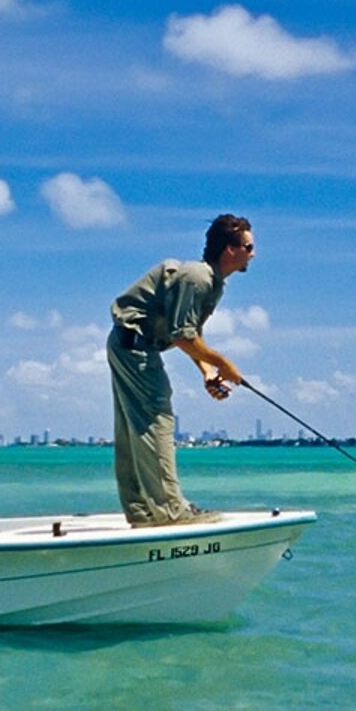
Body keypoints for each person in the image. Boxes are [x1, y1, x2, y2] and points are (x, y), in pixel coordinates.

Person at [107, 213, 255, 526]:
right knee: (156, 419)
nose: (253, 254)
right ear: (230, 250)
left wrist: (207, 372)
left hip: (129, 344)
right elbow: (181, 336)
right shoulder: (198, 278)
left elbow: (189, 335)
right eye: (248, 247)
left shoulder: (213, 285)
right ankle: (171, 512)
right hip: (134, 344)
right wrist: (223, 363)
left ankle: (142, 512)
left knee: (133, 427)